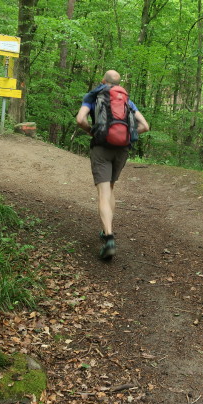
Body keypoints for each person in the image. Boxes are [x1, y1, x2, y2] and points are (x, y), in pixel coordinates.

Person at [76, 70, 149, 261]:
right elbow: (145, 126)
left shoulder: (94, 96)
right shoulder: (126, 101)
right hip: (122, 150)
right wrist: (128, 137)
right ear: (118, 84)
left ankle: (108, 236)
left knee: (103, 192)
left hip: (101, 148)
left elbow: (80, 119)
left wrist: (93, 132)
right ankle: (105, 229)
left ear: (103, 81)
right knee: (111, 187)